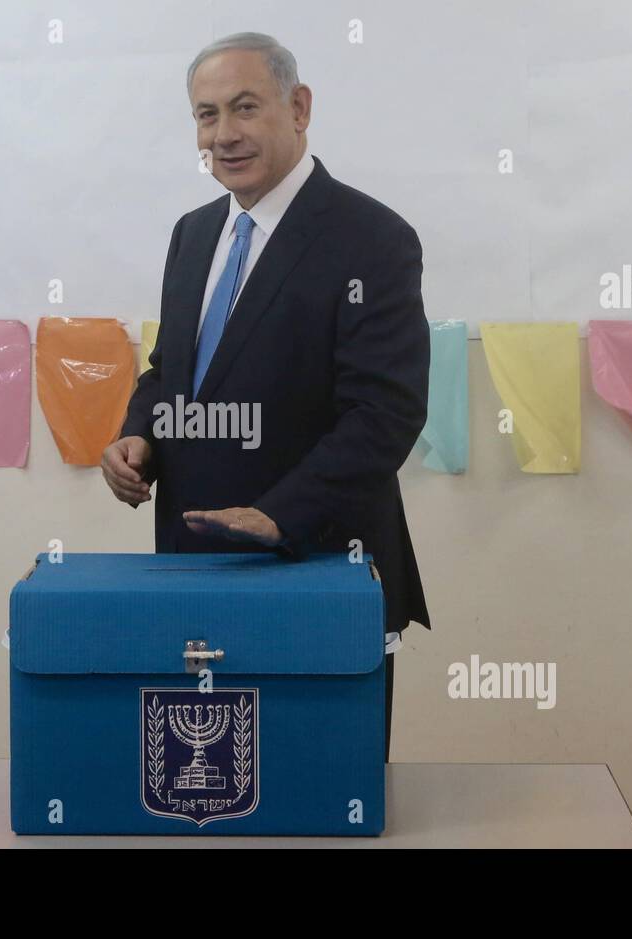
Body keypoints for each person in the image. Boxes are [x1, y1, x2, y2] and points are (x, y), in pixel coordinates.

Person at [102, 33, 431, 760]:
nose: (224, 135)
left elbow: (387, 412)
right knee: (208, 788)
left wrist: (278, 513)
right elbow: (170, 372)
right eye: (206, 114)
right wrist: (140, 436)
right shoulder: (192, 235)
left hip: (319, 565)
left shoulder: (372, 238)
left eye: (245, 108)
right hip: (194, 566)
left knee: (318, 794)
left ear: (300, 107)